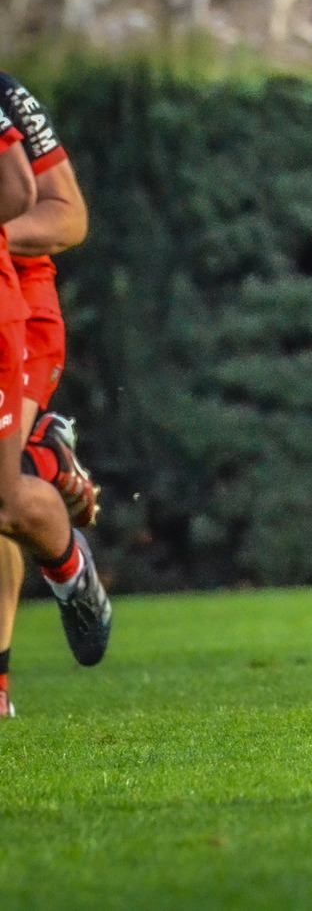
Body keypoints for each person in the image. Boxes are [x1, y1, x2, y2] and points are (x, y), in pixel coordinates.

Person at [0, 86, 110, 717]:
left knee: (6, 490)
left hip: (19, 308)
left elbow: (66, 216)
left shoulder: (5, 95)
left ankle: (43, 467)